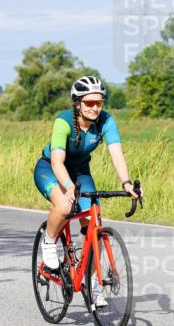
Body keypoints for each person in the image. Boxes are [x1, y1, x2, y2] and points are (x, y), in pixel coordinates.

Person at [33, 76, 138, 305]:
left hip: (80, 170)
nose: (94, 107)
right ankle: (49, 241)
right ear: (78, 103)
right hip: (50, 168)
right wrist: (68, 187)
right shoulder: (63, 122)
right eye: (89, 103)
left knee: (94, 219)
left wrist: (126, 183)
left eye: (99, 102)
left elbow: (116, 154)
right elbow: (57, 162)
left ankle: (94, 282)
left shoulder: (107, 121)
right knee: (64, 206)